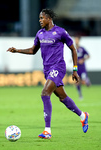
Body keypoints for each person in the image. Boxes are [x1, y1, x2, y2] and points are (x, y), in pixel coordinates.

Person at [7, 9, 89, 139]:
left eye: (42, 18)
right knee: (63, 97)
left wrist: (74, 69)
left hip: (58, 67)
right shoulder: (40, 34)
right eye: (39, 18)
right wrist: (17, 50)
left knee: (45, 93)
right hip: (47, 70)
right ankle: (83, 116)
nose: (40, 20)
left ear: (49, 18)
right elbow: (33, 50)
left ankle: (47, 131)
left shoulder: (60, 32)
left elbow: (73, 49)